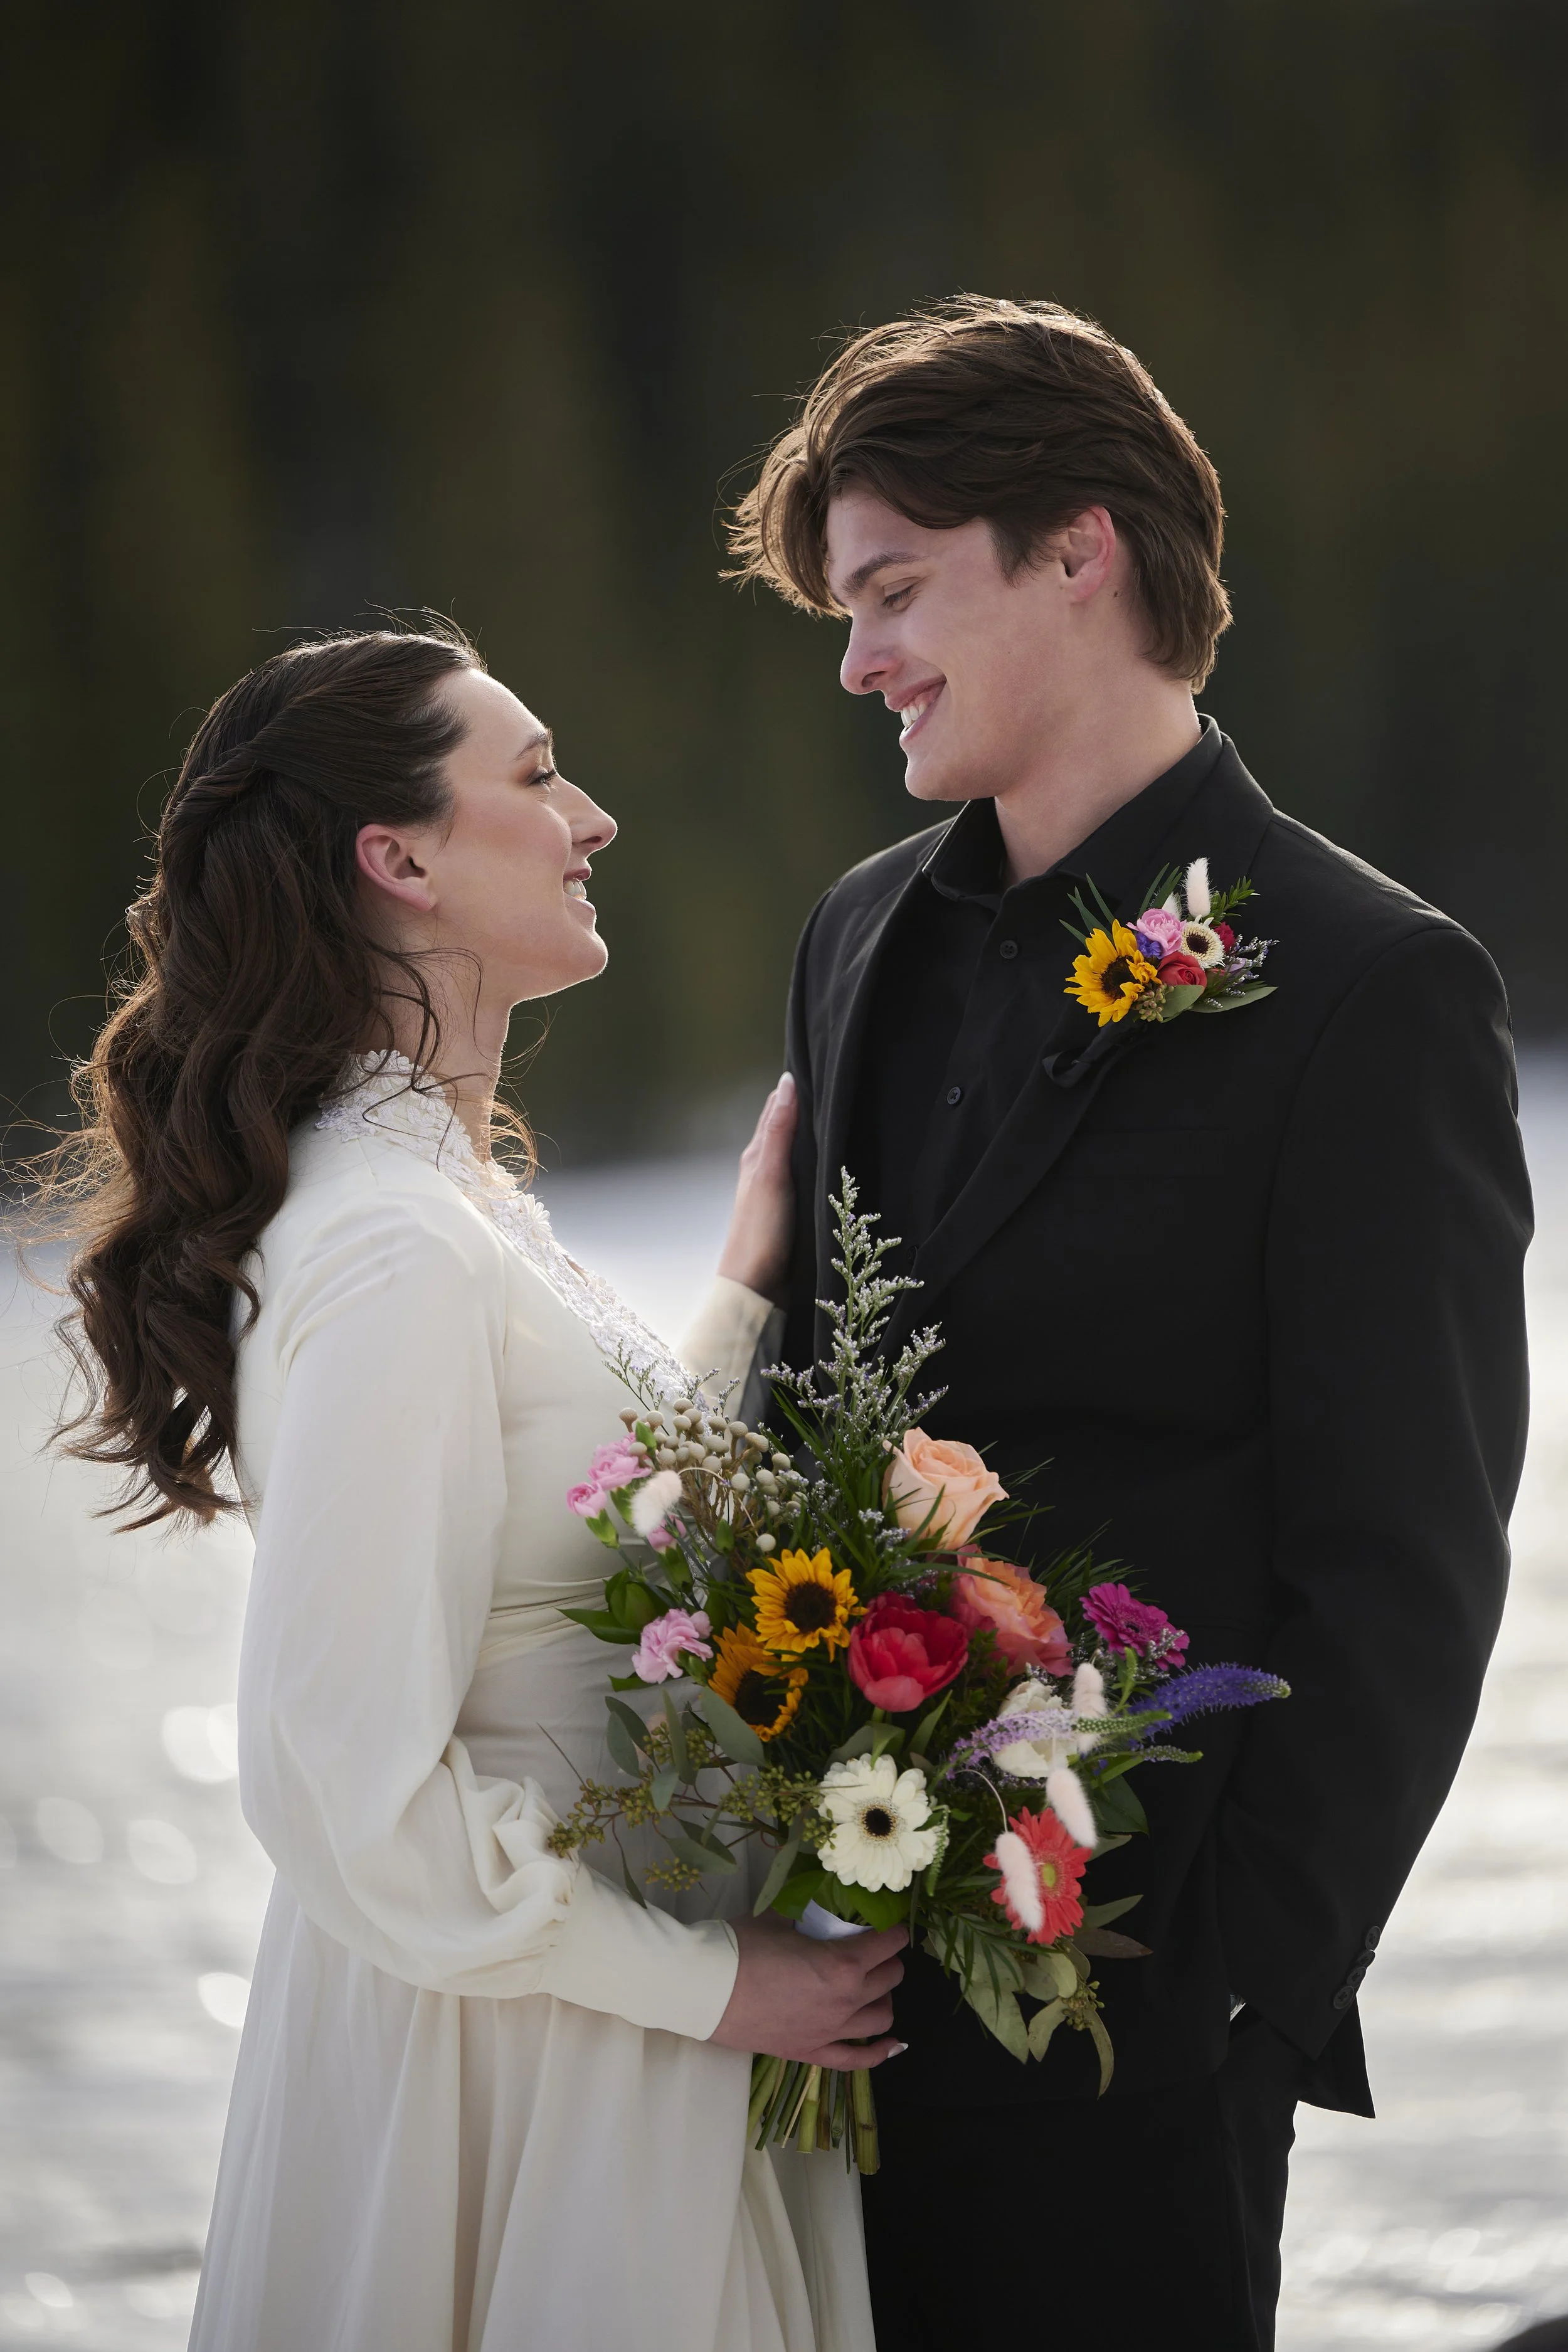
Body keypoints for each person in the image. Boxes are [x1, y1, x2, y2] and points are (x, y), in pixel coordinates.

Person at [726, 297, 1533, 2349]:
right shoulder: (852, 936)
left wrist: (1233, 1988)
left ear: (1079, 550)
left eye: (896, 590)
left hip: (1143, 2014)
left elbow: (1408, 1556)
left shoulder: (1367, 987)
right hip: (822, 1990)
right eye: (844, 606)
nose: (856, 659)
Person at [48, 623, 898, 2352]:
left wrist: (739, 1291)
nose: (588, 818)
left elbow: (584, 1524)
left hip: (599, 2023)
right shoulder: (391, 1246)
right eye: (532, 776)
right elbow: (341, 1786)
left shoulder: (448, 1211)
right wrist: (720, 1981)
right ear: (400, 859)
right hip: (522, 2074)